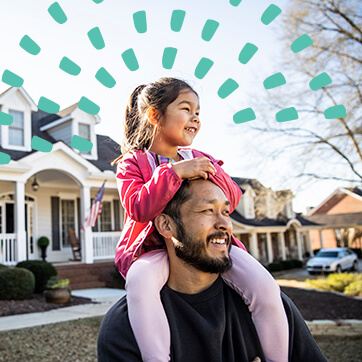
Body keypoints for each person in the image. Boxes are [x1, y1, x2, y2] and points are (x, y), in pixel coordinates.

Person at [113, 77, 288, 362]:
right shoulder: (134, 162)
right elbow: (137, 208)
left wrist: (210, 171)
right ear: (154, 115)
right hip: (156, 250)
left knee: (264, 285)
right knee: (139, 281)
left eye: (198, 112)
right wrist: (174, 173)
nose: (195, 118)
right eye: (186, 108)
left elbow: (231, 197)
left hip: (208, 246)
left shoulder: (200, 157)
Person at [98, 179, 327, 362]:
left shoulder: (273, 307)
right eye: (208, 210)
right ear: (166, 225)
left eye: (225, 212)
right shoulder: (124, 325)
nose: (225, 224)